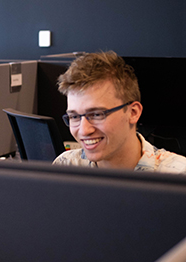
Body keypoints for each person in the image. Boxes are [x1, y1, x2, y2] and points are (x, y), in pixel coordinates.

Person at [53, 51, 186, 172]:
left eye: (97, 114)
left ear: (133, 112)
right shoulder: (66, 166)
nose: (84, 130)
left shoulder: (178, 176)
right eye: (74, 116)